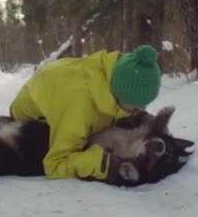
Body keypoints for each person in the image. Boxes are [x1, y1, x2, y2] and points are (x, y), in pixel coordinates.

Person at [9, 44, 161, 183]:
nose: (141, 109)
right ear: (119, 93)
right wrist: (99, 163)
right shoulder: (79, 108)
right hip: (30, 118)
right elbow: (55, 165)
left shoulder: (114, 73)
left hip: (59, 85)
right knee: (81, 147)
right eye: (136, 107)